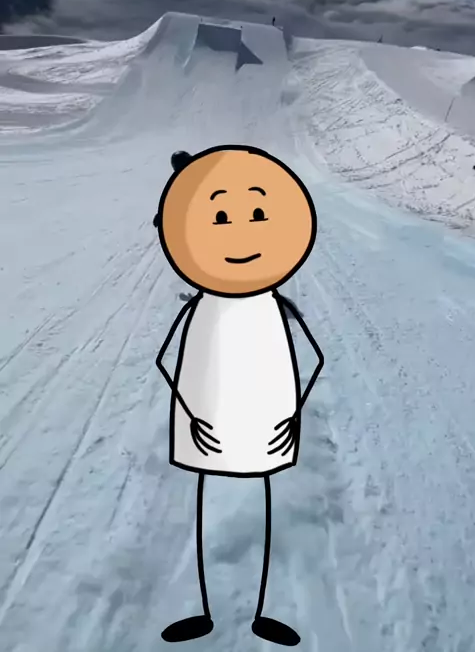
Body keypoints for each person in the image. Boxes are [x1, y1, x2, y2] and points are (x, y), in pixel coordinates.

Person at [152, 145, 324, 646]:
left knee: (260, 503)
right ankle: (205, 610)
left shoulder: (269, 305)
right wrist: (192, 415)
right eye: (220, 219)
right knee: (210, 502)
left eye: (258, 216)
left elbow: (314, 360)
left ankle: (260, 611)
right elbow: (165, 361)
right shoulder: (204, 309)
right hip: (212, 426)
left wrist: (292, 414)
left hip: (262, 426)